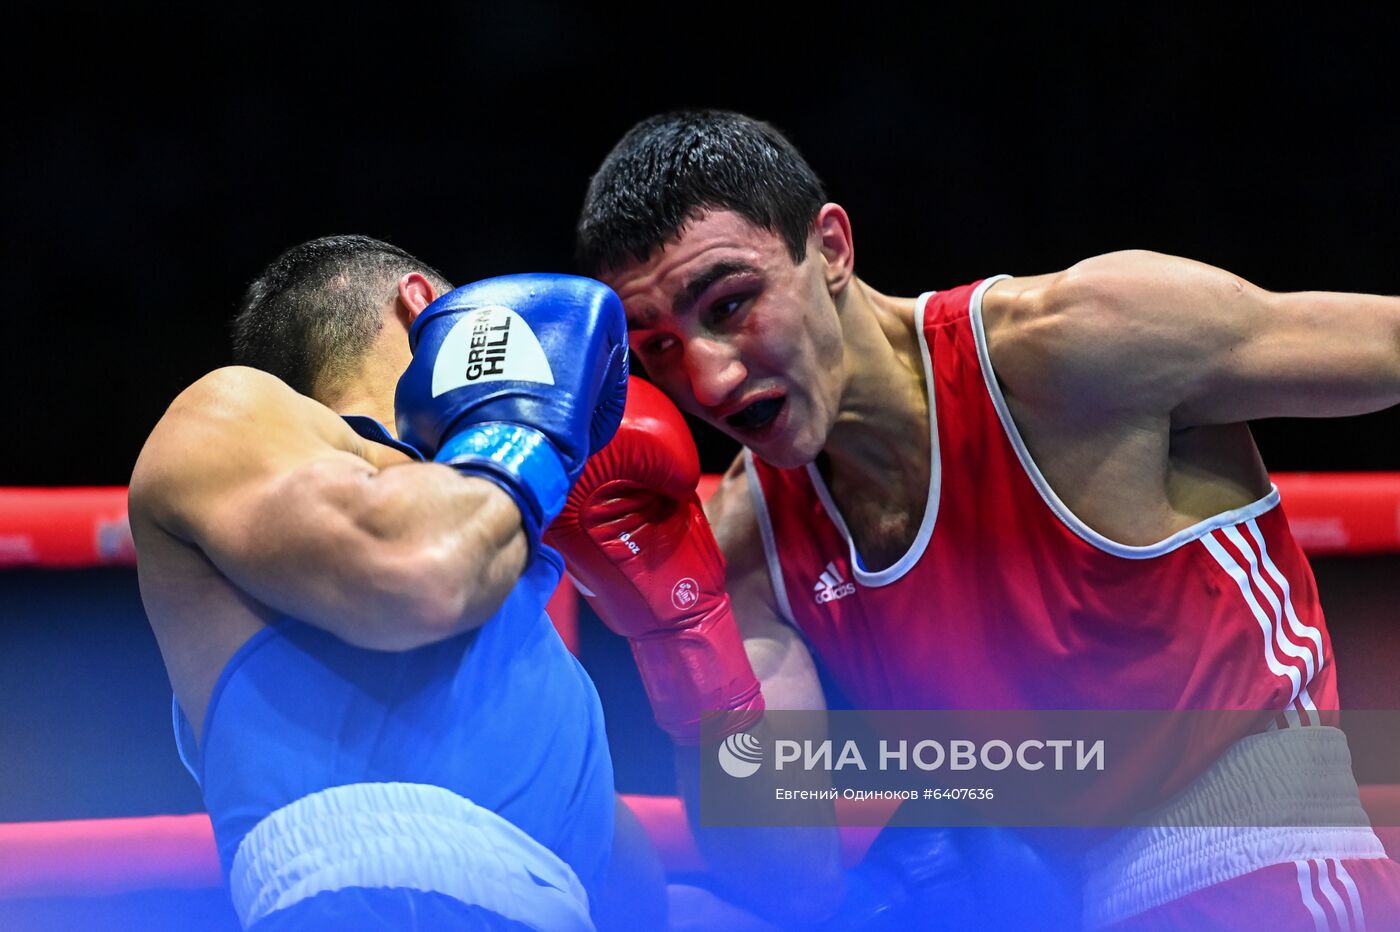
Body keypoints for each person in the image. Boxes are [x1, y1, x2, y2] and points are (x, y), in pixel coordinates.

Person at [562, 110, 1400, 929]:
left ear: (831, 249)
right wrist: (678, 633)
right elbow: (790, 880)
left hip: (1257, 862)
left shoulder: (1084, 345)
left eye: (731, 304)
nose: (705, 381)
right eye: (659, 348)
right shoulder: (748, 540)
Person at [128, 235, 652, 930]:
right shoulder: (227, 411)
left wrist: (687, 632)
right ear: (427, 305)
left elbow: (652, 894)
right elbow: (418, 576)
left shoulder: (543, 661)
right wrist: (522, 443)